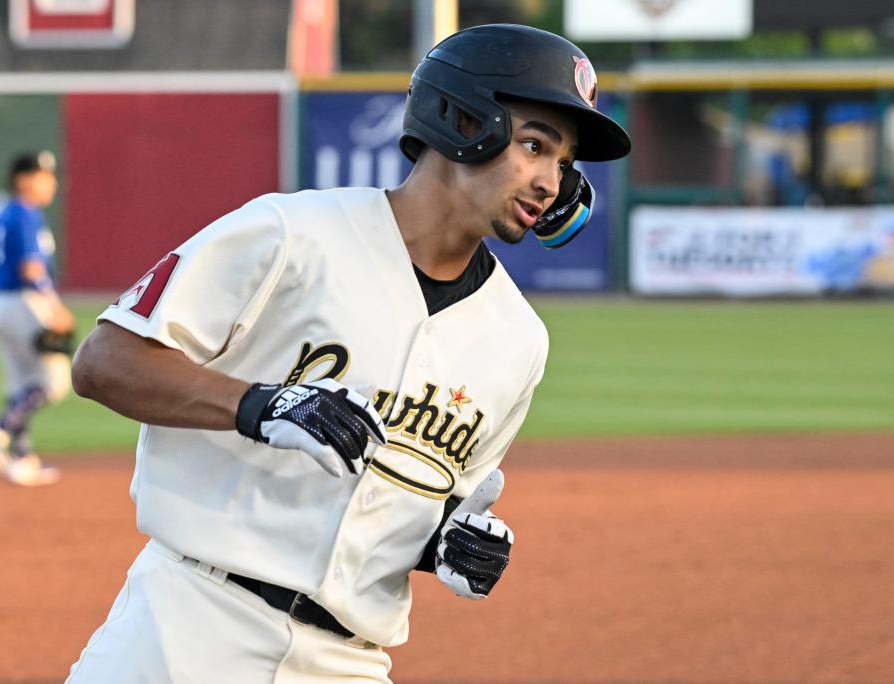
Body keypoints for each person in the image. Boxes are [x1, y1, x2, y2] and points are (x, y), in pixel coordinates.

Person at [66, 23, 630, 683]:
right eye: (535, 146)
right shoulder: (292, 234)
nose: (549, 182)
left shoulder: (518, 340)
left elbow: (404, 499)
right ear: (461, 118)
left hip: (349, 662)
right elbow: (104, 362)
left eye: (562, 165)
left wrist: (443, 542)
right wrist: (256, 403)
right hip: (187, 628)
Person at [0, 150, 75, 487]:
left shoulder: (3, 214)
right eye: (44, 175)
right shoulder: (26, 214)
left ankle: (22, 458)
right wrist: (54, 307)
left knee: (22, 384)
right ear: (24, 180)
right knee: (54, 382)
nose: (51, 182)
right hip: (24, 301)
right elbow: (31, 268)